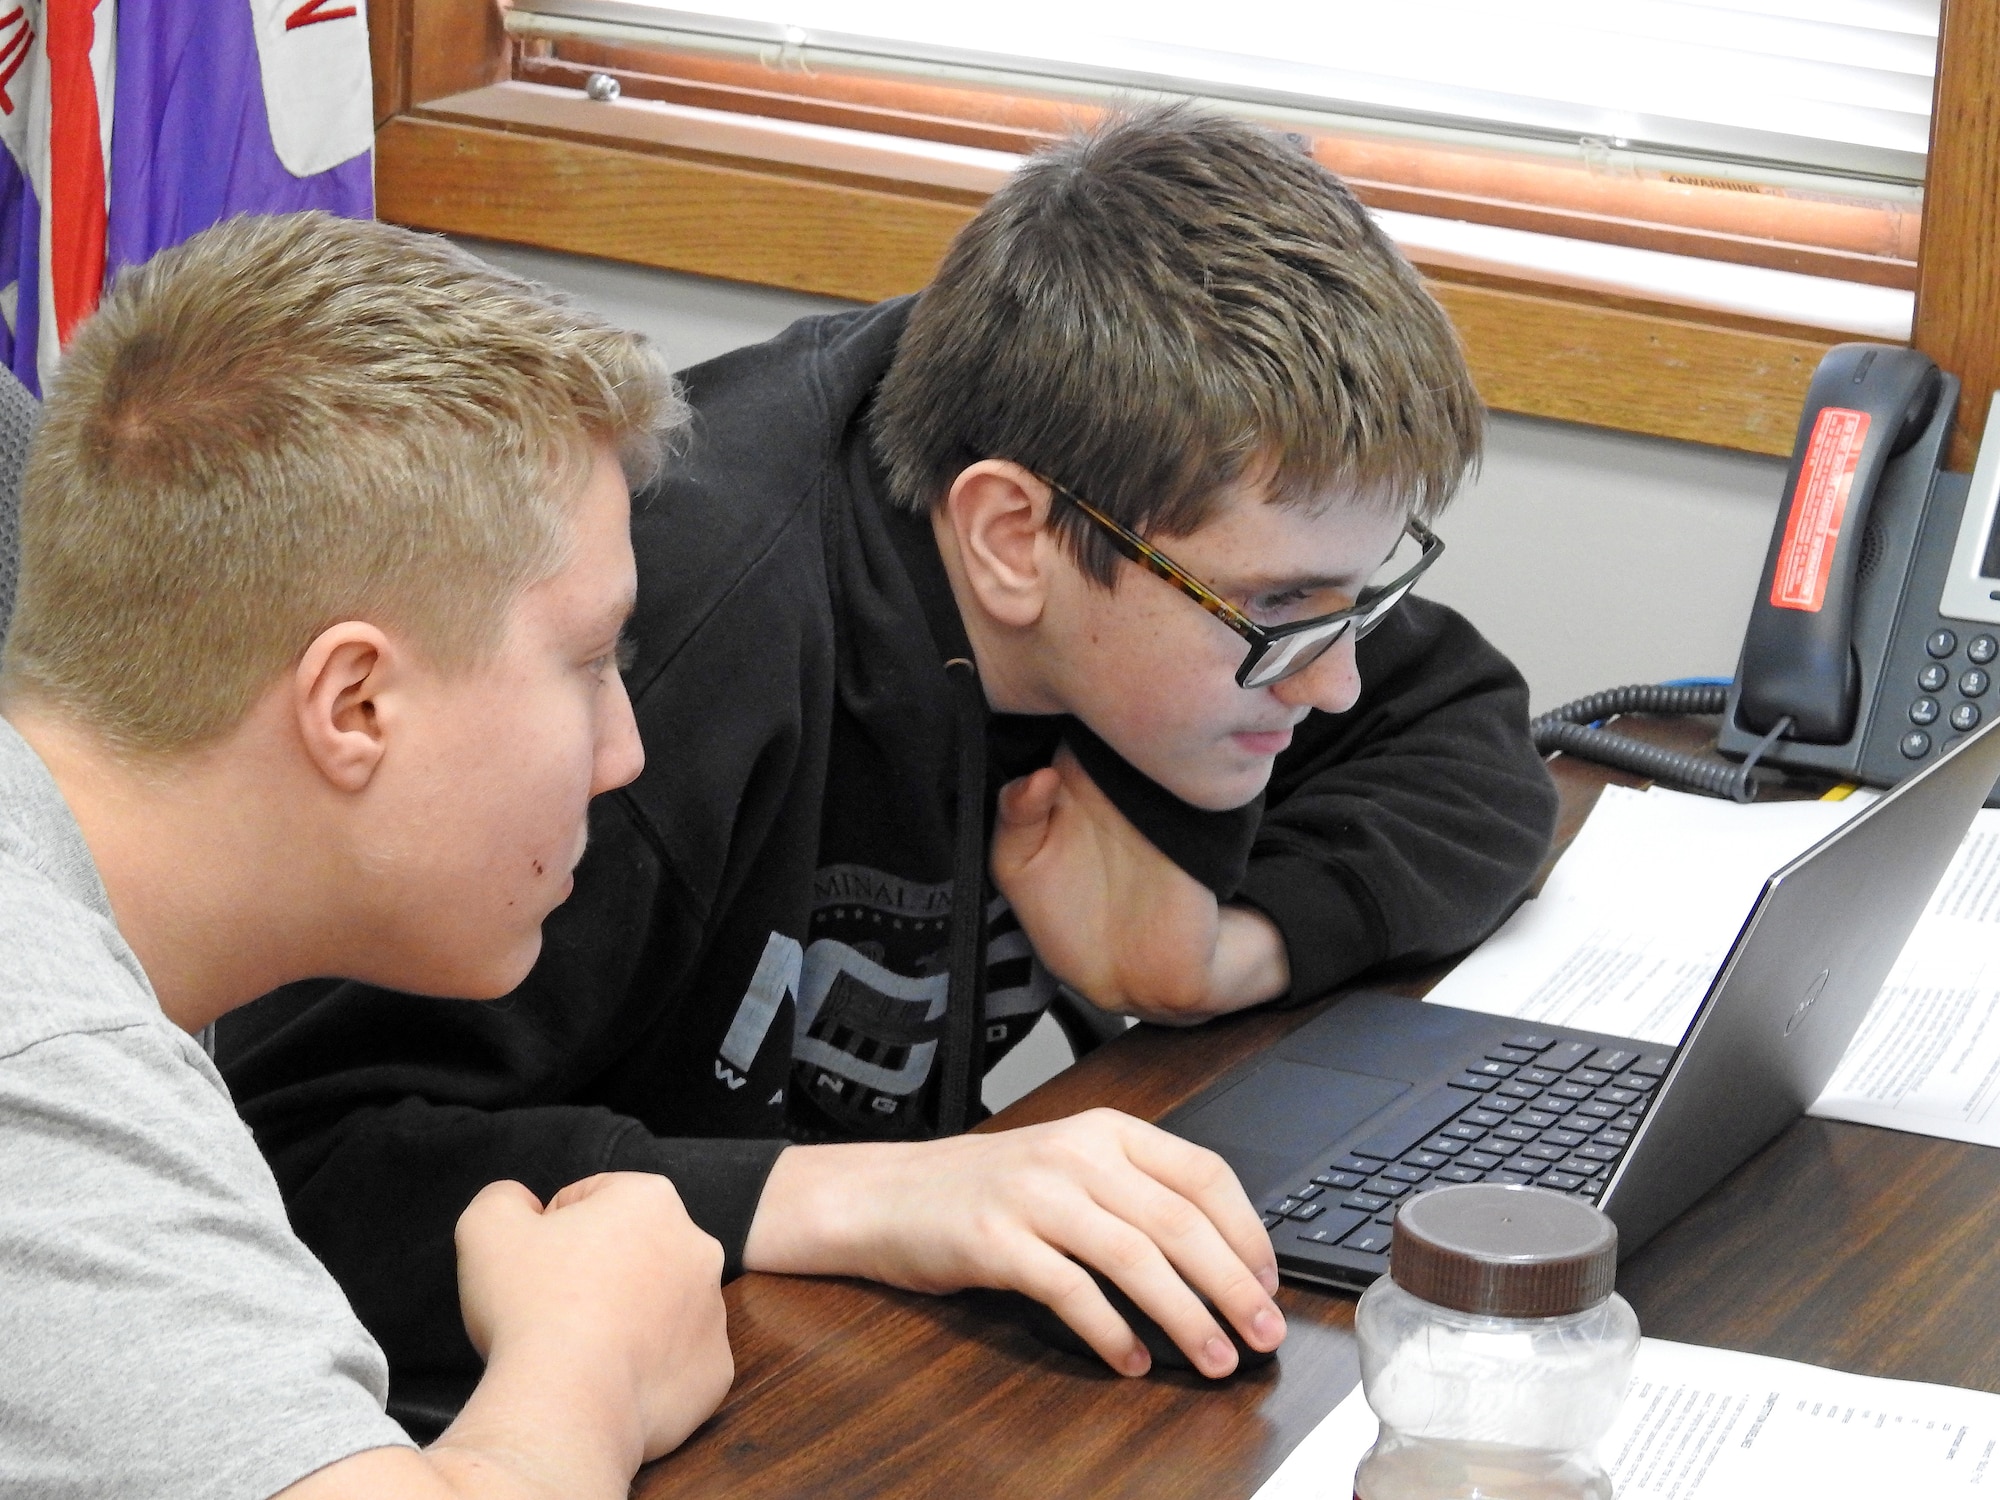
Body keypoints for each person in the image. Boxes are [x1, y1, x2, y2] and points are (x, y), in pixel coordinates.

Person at [219, 106, 1559, 1419]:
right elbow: (291, 1168)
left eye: (1353, 602)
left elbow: (1469, 734)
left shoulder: (1148, 511)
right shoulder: (656, 671)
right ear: (1011, 540)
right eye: (1277, 617)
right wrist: (848, 1192)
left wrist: (1223, 952)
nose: (1329, 682)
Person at [0, 212, 734, 1499]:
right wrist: (584, 1362)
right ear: (354, 707)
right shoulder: (46, 1052)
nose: (623, 750)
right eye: (587, 662)